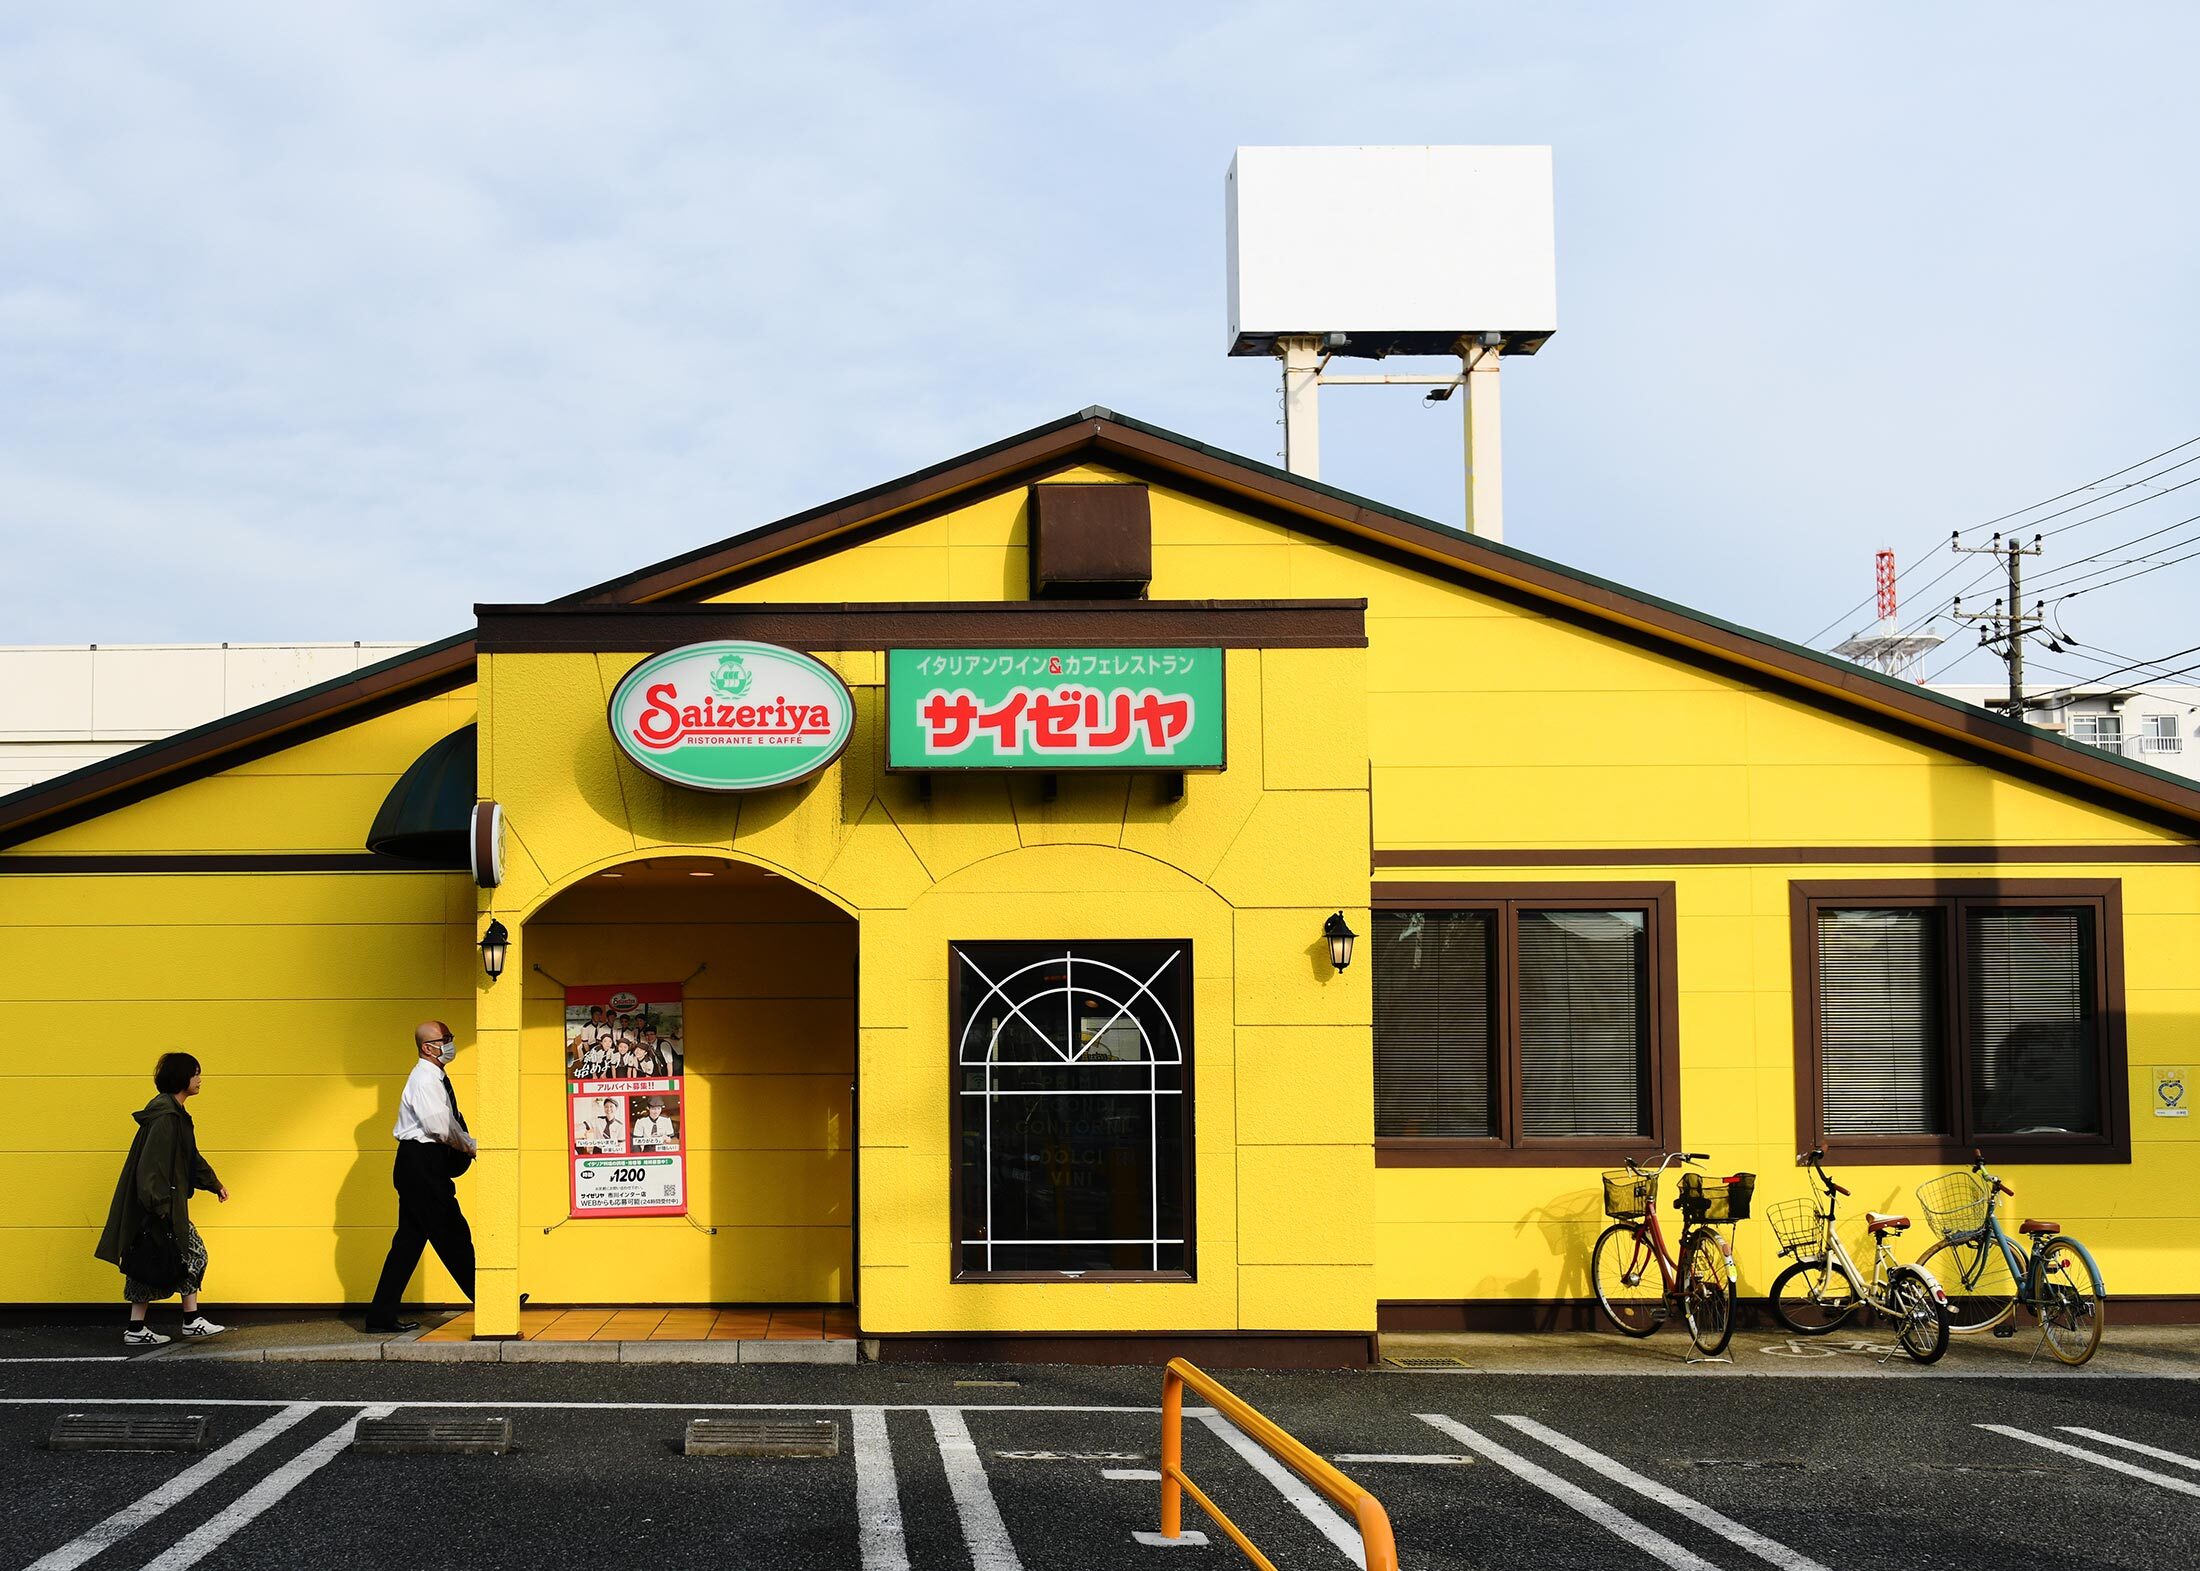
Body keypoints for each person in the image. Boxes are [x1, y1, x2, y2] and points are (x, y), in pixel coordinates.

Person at [94, 1052, 229, 1346]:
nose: (200, 1079)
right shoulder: (167, 1119)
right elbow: (151, 1167)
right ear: (183, 1078)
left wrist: (213, 1183)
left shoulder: (173, 1115)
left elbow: (190, 1159)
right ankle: (191, 1321)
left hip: (161, 1206)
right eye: (196, 1073)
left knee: (150, 1264)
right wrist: (160, 1209)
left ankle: (136, 1328)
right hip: (159, 1207)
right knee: (192, 1254)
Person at [364, 1021, 478, 1335]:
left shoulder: (432, 1077)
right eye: (446, 1039)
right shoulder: (425, 1080)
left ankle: (380, 1317)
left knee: (408, 1244)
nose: (451, 1043)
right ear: (428, 1047)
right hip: (422, 1163)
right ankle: (491, 1298)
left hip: (417, 1164)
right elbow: (440, 1126)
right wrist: (470, 1146)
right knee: (453, 1232)